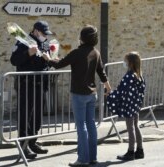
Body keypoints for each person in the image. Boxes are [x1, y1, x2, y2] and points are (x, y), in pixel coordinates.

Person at [42, 25, 112, 167]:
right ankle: (92, 157)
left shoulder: (76, 52)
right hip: (92, 94)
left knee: (81, 126)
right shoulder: (95, 52)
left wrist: (47, 58)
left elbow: (59, 64)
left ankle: (82, 159)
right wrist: (108, 88)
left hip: (79, 94)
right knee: (91, 125)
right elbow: (102, 73)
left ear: (82, 38)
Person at [10, 21, 53, 159]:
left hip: (41, 85)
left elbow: (45, 63)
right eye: (43, 33)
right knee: (25, 116)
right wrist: (28, 53)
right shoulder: (22, 42)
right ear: (35, 31)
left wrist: (50, 60)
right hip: (26, 85)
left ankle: (33, 142)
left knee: (37, 116)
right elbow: (14, 60)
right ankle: (24, 146)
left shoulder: (45, 43)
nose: (45, 36)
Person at [107, 52, 146, 161]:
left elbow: (121, 91)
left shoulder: (129, 76)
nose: (125, 63)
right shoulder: (139, 75)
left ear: (131, 63)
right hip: (135, 105)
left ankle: (130, 152)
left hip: (130, 105)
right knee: (136, 126)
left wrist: (110, 95)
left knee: (131, 128)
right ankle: (140, 150)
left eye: (126, 61)